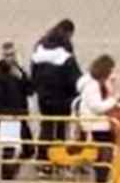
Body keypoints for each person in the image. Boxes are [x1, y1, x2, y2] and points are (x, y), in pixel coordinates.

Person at [30, 20, 83, 172]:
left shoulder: (38, 51)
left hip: (44, 98)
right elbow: (75, 79)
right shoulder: (66, 57)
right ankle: (59, 160)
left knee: (46, 127)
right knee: (60, 128)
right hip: (62, 98)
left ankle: (42, 159)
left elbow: (33, 75)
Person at [0, 41, 34, 183]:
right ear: (2, 57)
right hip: (8, 119)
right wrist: (5, 115)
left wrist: (23, 77)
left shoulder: (18, 71)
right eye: (7, 55)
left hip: (21, 117)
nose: (11, 58)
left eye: (13, 54)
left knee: (29, 149)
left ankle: (12, 173)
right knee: (8, 153)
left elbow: (30, 91)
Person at [76, 54, 120, 183]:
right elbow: (97, 107)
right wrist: (115, 100)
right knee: (104, 156)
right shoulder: (92, 85)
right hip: (97, 124)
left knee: (105, 155)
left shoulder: (97, 83)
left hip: (101, 123)